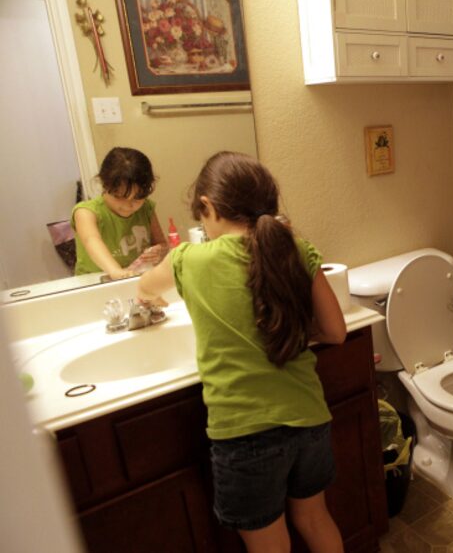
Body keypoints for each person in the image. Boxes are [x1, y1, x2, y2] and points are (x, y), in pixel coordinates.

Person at [137, 152, 346, 553]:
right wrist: (288, 327)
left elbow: (145, 287)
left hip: (244, 435)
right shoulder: (297, 250)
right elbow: (336, 331)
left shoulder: (189, 260)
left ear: (208, 207)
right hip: (308, 419)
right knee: (316, 519)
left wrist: (151, 300)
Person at [72, 147, 166, 279]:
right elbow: (91, 240)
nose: (129, 205)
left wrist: (158, 252)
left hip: (134, 277)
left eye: (137, 198)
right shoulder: (86, 212)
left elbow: (161, 243)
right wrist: (115, 270)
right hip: (92, 281)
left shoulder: (146, 208)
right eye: (119, 197)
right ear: (104, 185)